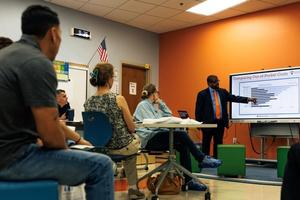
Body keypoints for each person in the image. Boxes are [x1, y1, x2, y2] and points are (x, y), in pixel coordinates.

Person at [0, 5, 114, 200]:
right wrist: (68, 153)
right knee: (102, 165)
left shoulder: (7, 56)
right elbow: (50, 134)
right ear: (53, 33)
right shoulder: (37, 62)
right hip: (12, 159)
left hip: (7, 152)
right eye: (61, 35)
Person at [134, 83, 222, 191]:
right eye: (157, 94)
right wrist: (166, 127)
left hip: (157, 136)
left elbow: (168, 114)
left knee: (183, 146)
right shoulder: (143, 105)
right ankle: (201, 158)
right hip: (150, 139)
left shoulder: (153, 107)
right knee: (182, 134)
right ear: (153, 94)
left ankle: (189, 182)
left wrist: (160, 103)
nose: (158, 96)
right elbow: (153, 126)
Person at [84, 63, 145, 200]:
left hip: (100, 148)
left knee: (130, 146)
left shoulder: (88, 102)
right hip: (120, 147)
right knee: (134, 143)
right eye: (113, 77)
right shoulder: (118, 98)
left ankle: (122, 174)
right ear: (108, 79)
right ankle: (133, 188)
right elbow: (131, 127)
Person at [195, 75, 256, 158]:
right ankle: (205, 161)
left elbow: (234, 98)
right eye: (215, 82)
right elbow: (198, 110)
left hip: (220, 123)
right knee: (206, 143)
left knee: (218, 143)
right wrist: (199, 124)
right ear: (209, 83)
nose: (217, 84)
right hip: (207, 123)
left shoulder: (223, 92)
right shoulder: (202, 94)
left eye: (217, 81)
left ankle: (217, 160)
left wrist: (248, 99)